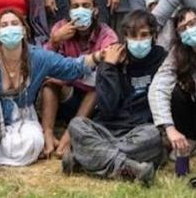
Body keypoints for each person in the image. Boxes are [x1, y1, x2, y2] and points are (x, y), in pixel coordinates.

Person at [0, 9, 109, 186]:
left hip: (22, 116)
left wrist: (98, 56)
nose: (10, 29)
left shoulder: (38, 56)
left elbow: (70, 67)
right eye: (4, 25)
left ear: (24, 30)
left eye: (15, 24)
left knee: (35, 142)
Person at [63, 10, 168, 184]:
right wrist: (108, 67)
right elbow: (107, 108)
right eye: (133, 36)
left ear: (154, 36)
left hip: (140, 130)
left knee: (153, 137)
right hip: (108, 129)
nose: (139, 41)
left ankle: (85, 159)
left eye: (144, 35)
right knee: (77, 125)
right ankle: (127, 166)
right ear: (125, 37)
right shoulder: (113, 59)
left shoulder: (162, 59)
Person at [41, 0, 120, 158]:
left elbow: (104, 75)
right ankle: (47, 134)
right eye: (75, 7)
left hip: (94, 104)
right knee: (49, 85)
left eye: (86, 5)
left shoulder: (107, 34)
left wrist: (68, 76)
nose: (80, 10)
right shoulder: (60, 29)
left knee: (96, 87)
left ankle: (69, 136)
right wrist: (54, 42)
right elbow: (42, 65)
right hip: (67, 95)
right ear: (69, 11)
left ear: (95, 10)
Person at [148, 7, 196, 160]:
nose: (189, 30)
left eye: (192, 23)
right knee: (175, 91)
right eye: (182, 29)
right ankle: (188, 139)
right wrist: (169, 127)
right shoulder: (178, 53)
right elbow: (158, 87)